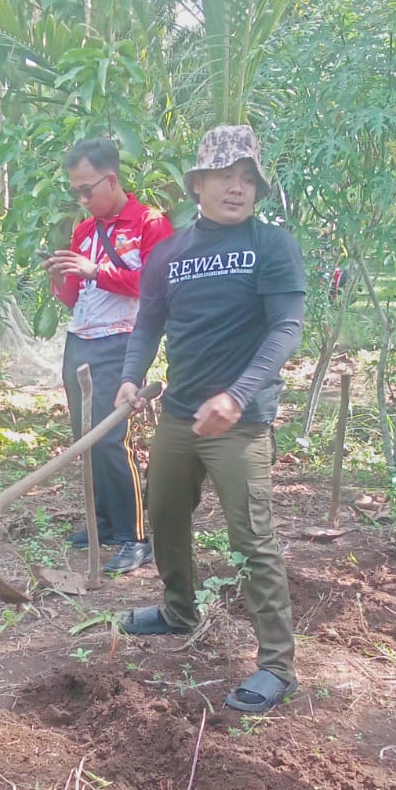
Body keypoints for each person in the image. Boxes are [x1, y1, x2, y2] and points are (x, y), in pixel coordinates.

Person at [114, 124, 306, 712]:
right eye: (226, 175)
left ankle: (276, 665)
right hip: (178, 414)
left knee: (252, 537)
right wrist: (129, 375)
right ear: (198, 184)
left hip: (240, 421)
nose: (237, 187)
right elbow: (147, 323)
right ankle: (178, 610)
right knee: (166, 513)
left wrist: (240, 395)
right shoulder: (168, 254)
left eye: (247, 178)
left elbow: (286, 329)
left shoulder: (272, 246)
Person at [43, 137, 173, 574]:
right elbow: (73, 297)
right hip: (79, 339)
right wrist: (60, 277)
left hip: (121, 342)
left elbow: (156, 289)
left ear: (111, 179)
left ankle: (134, 535)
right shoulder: (84, 230)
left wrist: (96, 269)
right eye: (75, 191)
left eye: (86, 189)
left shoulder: (149, 223)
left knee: (111, 438)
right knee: (84, 436)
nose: (81, 198)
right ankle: (102, 520)